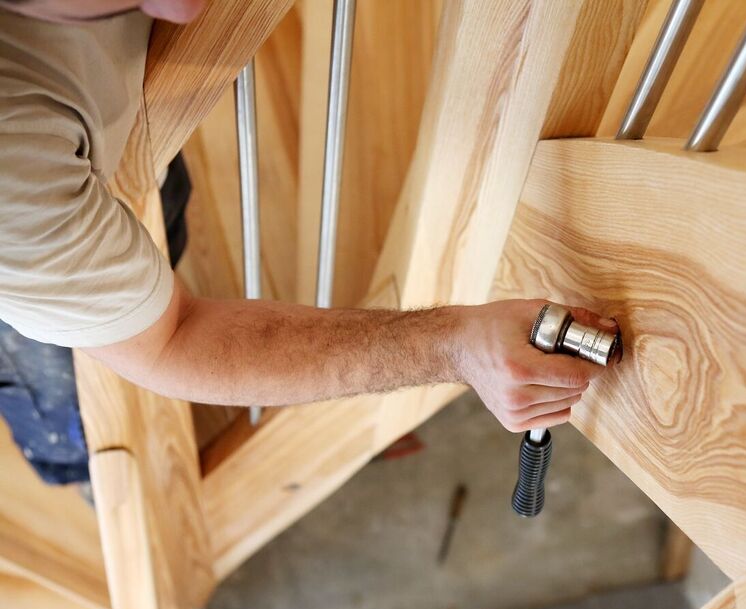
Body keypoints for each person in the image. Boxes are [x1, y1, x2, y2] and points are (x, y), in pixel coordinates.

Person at [0, 0, 618, 482]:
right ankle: (83, 474)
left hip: (82, 149)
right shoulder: (16, 192)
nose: (188, 12)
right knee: (66, 404)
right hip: (29, 250)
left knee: (161, 199)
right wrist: (452, 350)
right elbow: (174, 340)